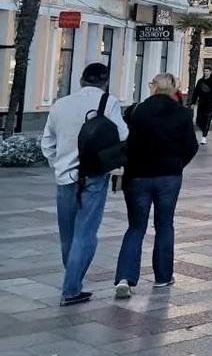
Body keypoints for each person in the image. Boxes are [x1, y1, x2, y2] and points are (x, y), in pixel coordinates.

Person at [40, 63, 128, 306]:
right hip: (94, 175)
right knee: (85, 233)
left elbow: (47, 142)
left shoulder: (60, 104)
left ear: (81, 80)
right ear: (105, 82)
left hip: (64, 177)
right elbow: (123, 135)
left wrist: (59, 163)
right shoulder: (108, 102)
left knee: (67, 235)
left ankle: (73, 283)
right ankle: (71, 289)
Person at [114, 73, 198, 298]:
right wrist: (177, 164)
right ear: (174, 89)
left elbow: (125, 141)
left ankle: (125, 278)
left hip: (137, 176)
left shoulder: (136, 111)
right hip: (168, 176)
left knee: (135, 226)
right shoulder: (182, 113)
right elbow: (191, 146)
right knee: (164, 224)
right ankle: (163, 276)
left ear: (153, 87)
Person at [189, 67, 212, 146]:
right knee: (198, 120)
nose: (205, 72)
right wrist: (193, 102)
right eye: (204, 71)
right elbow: (196, 92)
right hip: (201, 103)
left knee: (207, 120)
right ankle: (204, 130)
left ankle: (204, 137)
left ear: (210, 72)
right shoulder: (200, 81)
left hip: (210, 104)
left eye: (207, 71)